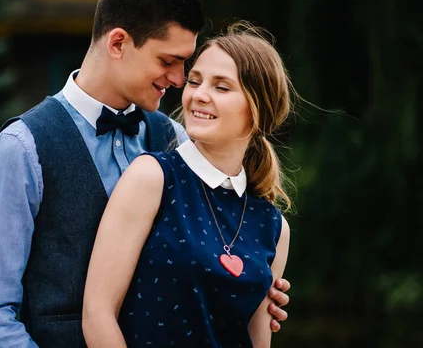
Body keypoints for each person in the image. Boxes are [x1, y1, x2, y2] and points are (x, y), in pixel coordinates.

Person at [0, 0, 290, 348]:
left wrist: (246, 288)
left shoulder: (174, 138)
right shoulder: (21, 149)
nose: (180, 80)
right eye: (168, 61)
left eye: (186, 63)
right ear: (118, 43)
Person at [82, 22, 293, 347]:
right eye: (195, 81)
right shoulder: (152, 178)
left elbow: (258, 340)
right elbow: (97, 314)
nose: (198, 95)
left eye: (221, 87)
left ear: (258, 109)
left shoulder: (274, 226)